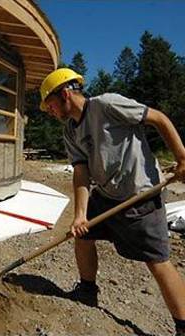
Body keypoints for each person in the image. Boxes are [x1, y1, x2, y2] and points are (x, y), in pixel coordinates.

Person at [39, 68, 185, 335]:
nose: (49, 111)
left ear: (65, 94)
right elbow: (81, 172)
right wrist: (80, 214)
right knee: (82, 235)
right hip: (106, 195)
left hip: (140, 194)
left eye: (50, 105)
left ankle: (183, 324)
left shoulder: (107, 105)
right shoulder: (71, 131)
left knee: (157, 260)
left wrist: (182, 157)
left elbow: (159, 118)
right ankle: (87, 290)